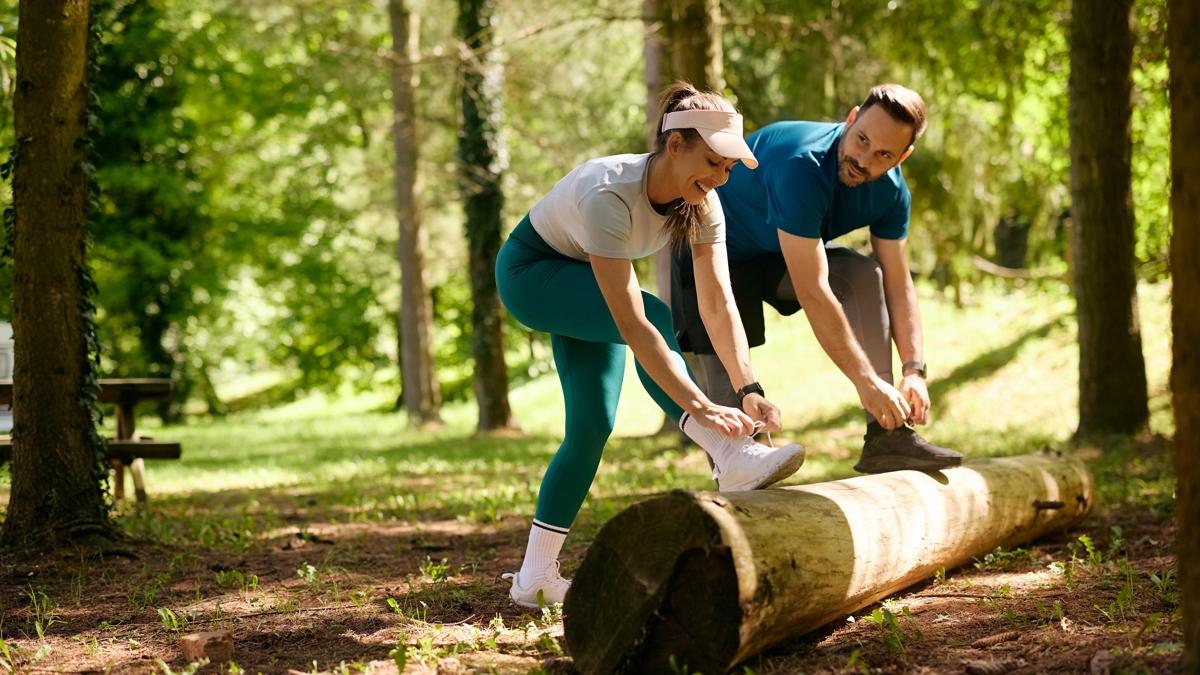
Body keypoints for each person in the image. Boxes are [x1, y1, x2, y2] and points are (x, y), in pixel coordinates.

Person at [495, 82, 806, 608]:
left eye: (728, 168)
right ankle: (726, 450)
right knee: (655, 314)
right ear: (675, 145)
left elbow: (718, 303)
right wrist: (703, 407)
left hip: (583, 284)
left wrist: (745, 385)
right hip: (532, 275)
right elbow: (637, 324)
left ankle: (534, 578)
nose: (719, 178)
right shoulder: (609, 192)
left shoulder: (703, 203)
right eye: (712, 162)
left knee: (592, 426)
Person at [671, 83, 963, 475]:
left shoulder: (891, 194)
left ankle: (886, 436)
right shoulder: (802, 165)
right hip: (710, 257)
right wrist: (864, 381)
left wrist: (914, 371)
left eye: (883, 155)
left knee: (863, 274)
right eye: (861, 140)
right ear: (851, 118)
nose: (863, 158)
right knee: (736, 431)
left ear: (902, 158)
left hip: (778, 256)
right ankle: (738, 491)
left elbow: (898, 282)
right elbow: (813, 290)